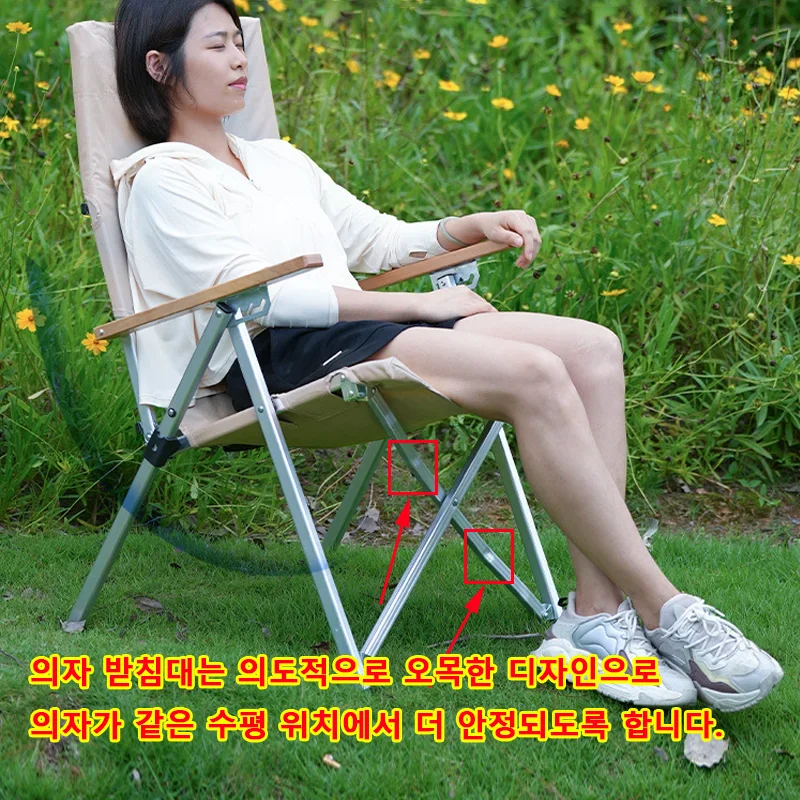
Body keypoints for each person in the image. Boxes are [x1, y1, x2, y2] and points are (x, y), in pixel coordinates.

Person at [112, 0, 784, 712]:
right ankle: (668, 609)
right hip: (274, 358)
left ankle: (593, 617)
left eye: (240, 43)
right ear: (160, 66)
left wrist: (468, 225)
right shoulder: (161, 180)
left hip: (357, 330)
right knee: (534, 373)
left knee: (593, 349)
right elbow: (261, 299)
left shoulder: (275, 160)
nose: (240, 59)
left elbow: (375, 239)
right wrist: (419, 305)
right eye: (217, 45)